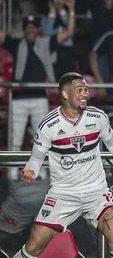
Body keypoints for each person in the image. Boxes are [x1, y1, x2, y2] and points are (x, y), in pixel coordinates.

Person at [0, 72, 113, 258]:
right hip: (63, 194)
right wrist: (30, 171)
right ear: (65, 94)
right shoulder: (49, 125)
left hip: (97, 191)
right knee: (33, 246)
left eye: (86, 90)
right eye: (80, 90)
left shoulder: (98, 118)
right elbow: (35, 158)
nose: (86, 94)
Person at [0, 9, 75, 180]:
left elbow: (68, 33)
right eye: (28, 27)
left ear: (38, 29)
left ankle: (41, 175)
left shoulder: (45, 43)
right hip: (18, 99)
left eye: (34, 27)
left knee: (42, 141)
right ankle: (12, 177)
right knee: (15, 140)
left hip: (40, 98)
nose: (31, 30)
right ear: (24, 29)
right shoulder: (17, 43)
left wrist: (70, 11)